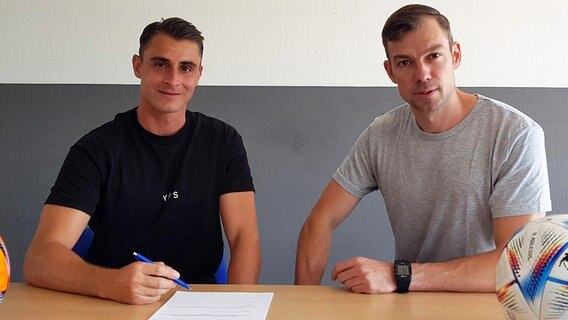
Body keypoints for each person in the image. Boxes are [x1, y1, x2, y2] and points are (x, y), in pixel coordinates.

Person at [295, 4, 551, 293]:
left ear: (455, 55)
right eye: (405, 63)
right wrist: (305, 300)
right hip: (411, 303)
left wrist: (400, 275)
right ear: (390, 71)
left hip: (489, 304)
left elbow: (519, 264)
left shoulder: (515, 133)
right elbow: (319, 221)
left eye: (434, 56)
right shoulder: (381, 134)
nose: (423, 74)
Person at [24, 17, 261, 304]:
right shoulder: (96, 149)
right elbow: (39, 258)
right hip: (112, 300)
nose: (173, 80)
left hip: (197, 299)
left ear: (198, 74)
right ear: (138, 66)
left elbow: (244, 237)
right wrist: (111, 283)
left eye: (185, 68)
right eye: (160, 64)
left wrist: (236, 306)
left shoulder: (223, 141)